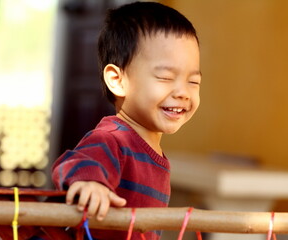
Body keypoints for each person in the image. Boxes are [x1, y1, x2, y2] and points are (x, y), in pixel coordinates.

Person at [51, 1, 201, 239]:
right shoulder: (113, 139)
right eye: (165, 77)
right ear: (118, 80)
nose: (183, 92)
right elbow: (74, 162)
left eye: (193, 81)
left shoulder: (154, 154)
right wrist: (91, 184)